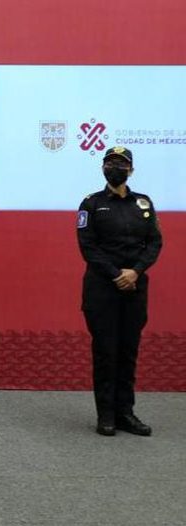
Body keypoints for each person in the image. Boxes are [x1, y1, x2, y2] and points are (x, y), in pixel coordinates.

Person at [77, 146, 162, 437]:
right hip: (102, 289)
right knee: (106, 352)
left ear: (131, 170)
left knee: (128, 352)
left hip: (134, 288)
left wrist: (135, 271)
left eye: (122, 164)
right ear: (103, 169)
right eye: (111, 163)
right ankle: (107, 416)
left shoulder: (144, 203)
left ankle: (126, 413)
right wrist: (116, 275)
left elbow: (154, 243)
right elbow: (88, 248)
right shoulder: (91, 204)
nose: (116, 167)